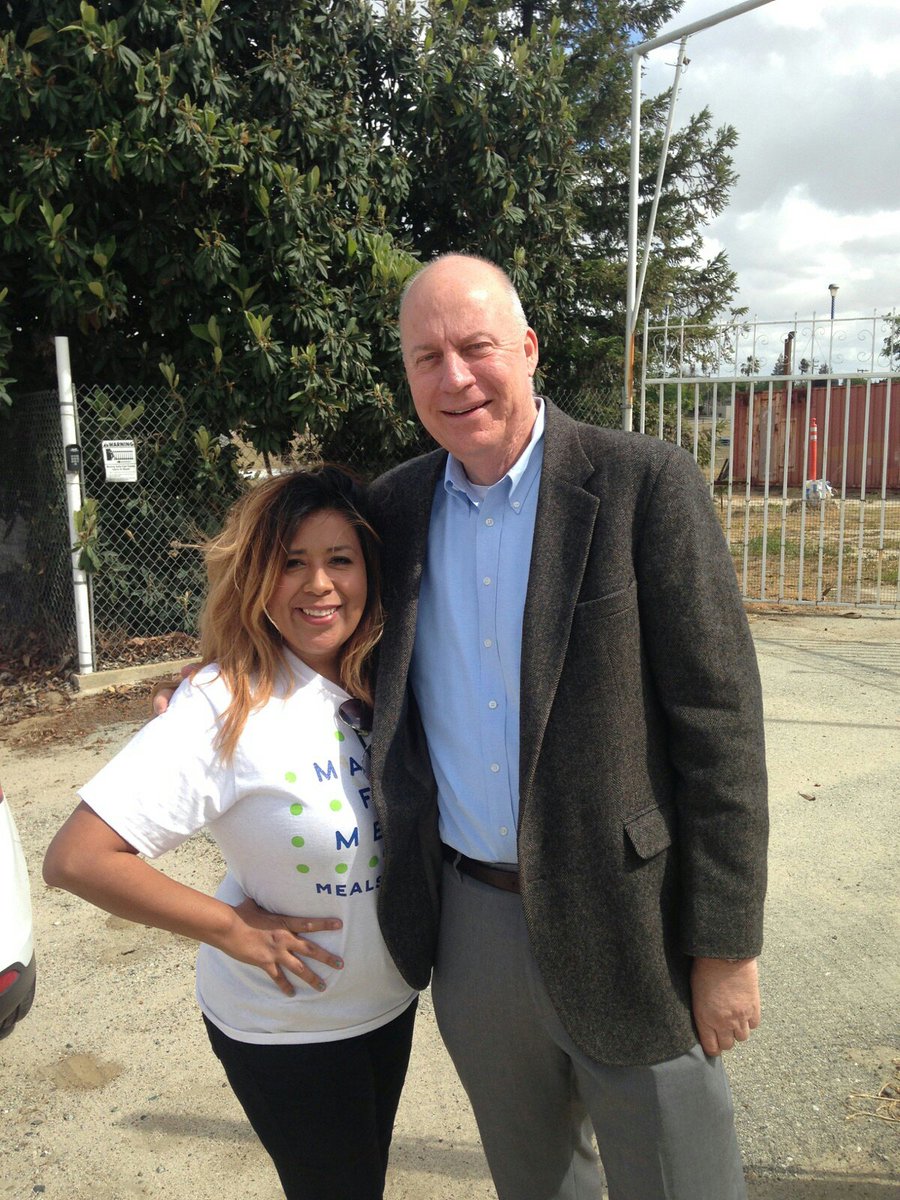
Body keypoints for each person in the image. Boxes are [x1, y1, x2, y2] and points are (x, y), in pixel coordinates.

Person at [364, 254, 769, 1200]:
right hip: (472, 929)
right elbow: (313, 624)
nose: (455, 378)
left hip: (637, 923)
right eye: (427, 357)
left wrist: (727, 945)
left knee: (684, 1183)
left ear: (530, 350)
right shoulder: (392, 510)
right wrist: (219, 682)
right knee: (537, 1184)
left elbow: (721, 730)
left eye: (476, 348)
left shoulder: (643, 485)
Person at [44, 466, 417, 1200]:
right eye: (291, 563)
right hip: (289, 1029)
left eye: (340, 559)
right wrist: (230, 927)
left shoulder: (388, 676)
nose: (319, 585)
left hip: (388, 1003)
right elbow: (77, 858)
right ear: (257, 578)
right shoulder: (223, 704)